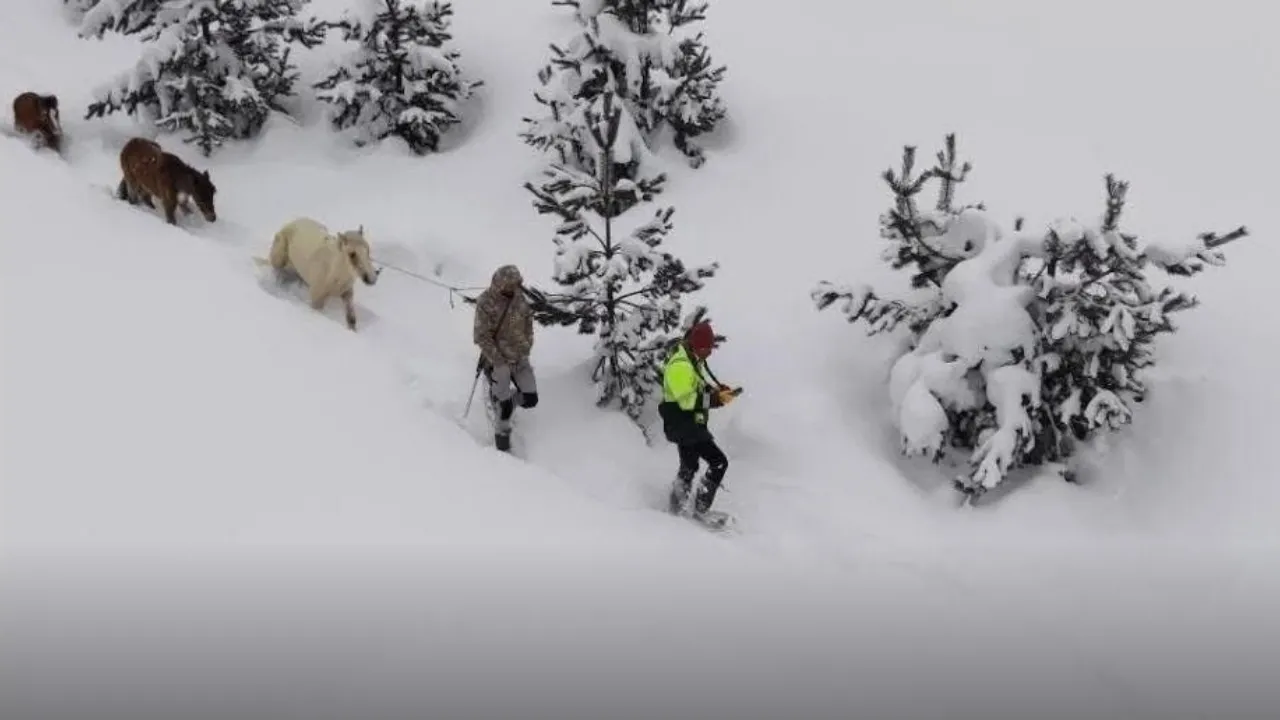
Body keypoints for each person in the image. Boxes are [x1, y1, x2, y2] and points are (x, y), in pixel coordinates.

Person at [658, 320, 739, 516]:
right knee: (718, 462)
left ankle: (676, 509)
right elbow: (686, 401)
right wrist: (716, 400)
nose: (710, 352)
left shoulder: (692, 359)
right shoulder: (681, 365)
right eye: (707, 348)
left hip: (688, 423)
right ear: (698, 346)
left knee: (689, 466)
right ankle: (699, 509)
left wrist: (718, 392)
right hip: (683, 423)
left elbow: (696, 387)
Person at [473, 264, 538, 451]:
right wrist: (498, 360)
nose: (512, 288)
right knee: (505, 409)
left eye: (515, 284)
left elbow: (528, 325)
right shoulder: (486, 301)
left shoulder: (520, 300)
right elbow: (481, 336)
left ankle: (505, 402)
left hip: (519, 357)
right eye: (509, 284)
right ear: (500, 283)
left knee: (531, 398)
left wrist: (526, 346)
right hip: (497, 360)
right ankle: (502, 450)